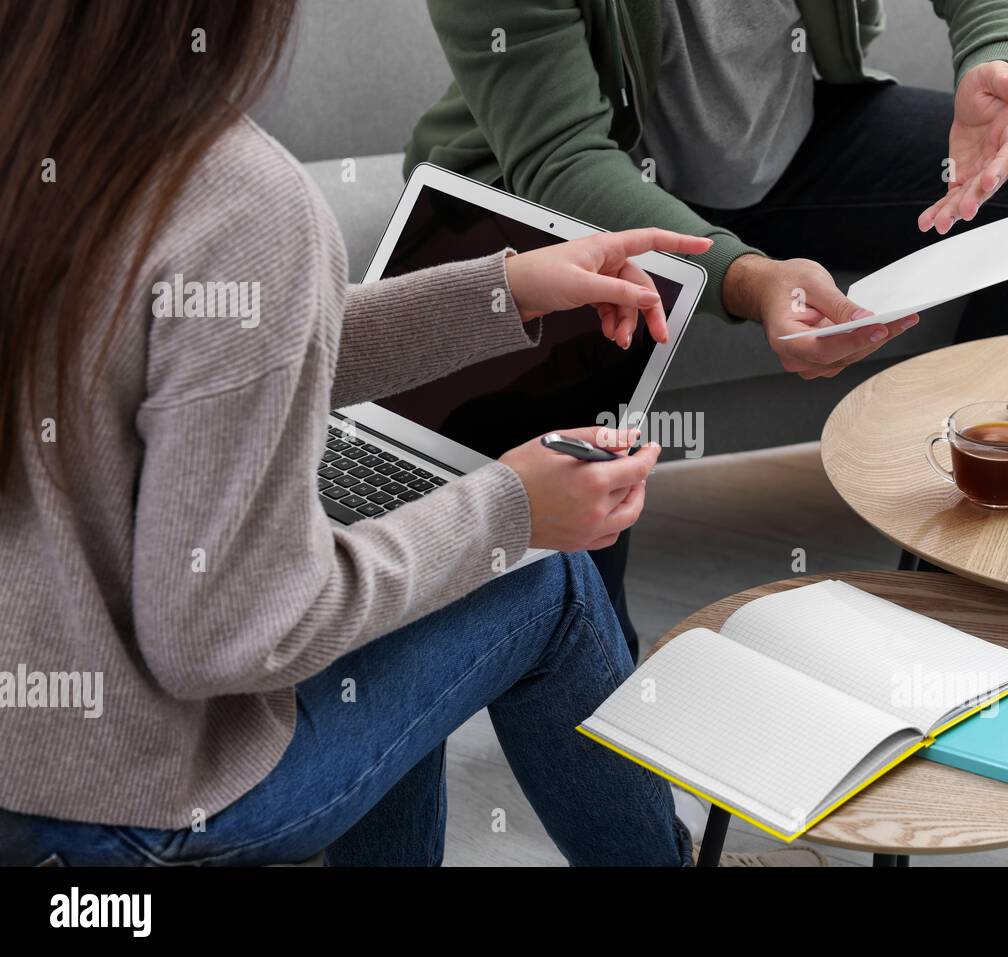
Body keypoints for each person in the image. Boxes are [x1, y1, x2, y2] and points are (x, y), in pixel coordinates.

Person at [0, 0, 818, 867]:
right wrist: (507, 514)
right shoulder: (236, 198)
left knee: (411, 596)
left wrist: (503, 295)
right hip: (131, 805)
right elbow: (226, 635)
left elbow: (233, 347)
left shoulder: (45, 129)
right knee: (550, 585)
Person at [408, 0, 1008, 650]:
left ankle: (961, 609)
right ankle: (599, 706)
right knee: (589, 330)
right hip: (573, 185)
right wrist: (749, 276)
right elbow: (562, 159)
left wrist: (1005, 60)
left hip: (790, 152)